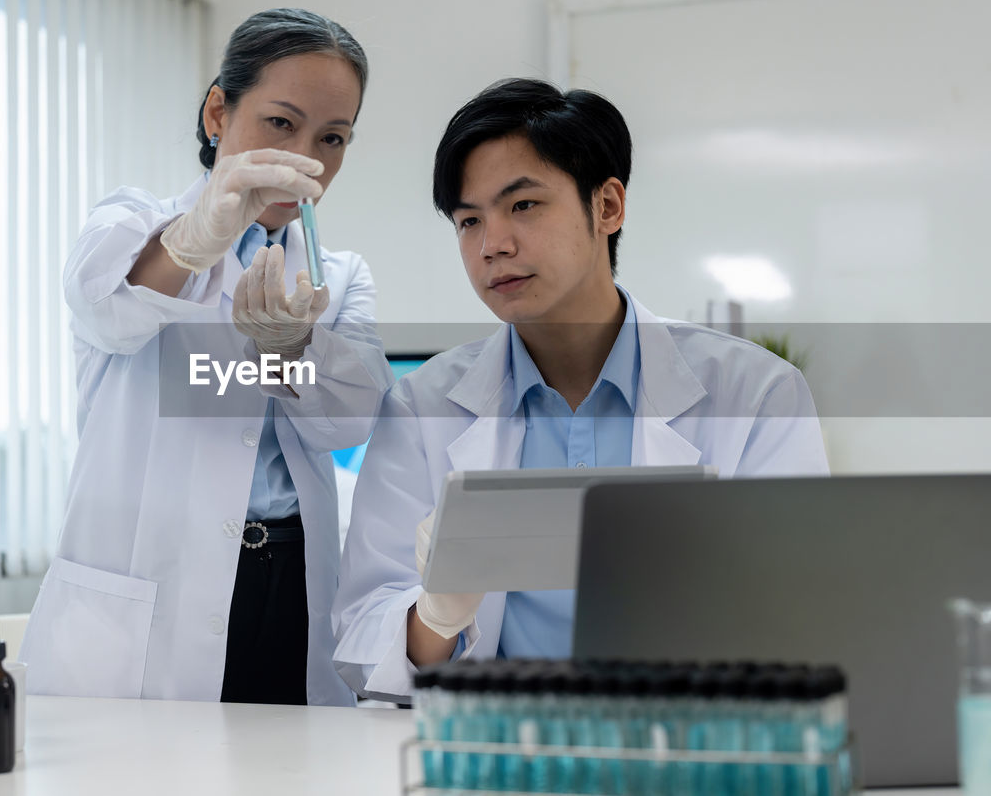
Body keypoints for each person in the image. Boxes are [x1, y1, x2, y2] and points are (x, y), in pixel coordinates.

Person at [330, 79, 828, 701]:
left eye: (524, 205)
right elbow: (363, 639)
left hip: (680, 749)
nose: (493, 246)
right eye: (468, 220)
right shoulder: (421, 407)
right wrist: (437, 612)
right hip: (496, 755)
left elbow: (797, 619)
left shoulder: (757, 394)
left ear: (608, 207)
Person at [20, 9, 392, 706]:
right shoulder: (132, 225)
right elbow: (104, 303)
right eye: (281, 123)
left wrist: (291, 350)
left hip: (289, 581)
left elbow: (347, 423)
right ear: (219, 110)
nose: (307, 159)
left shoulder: (337, 277)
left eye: (333, 137)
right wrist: (194, 240)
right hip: (146, 593)